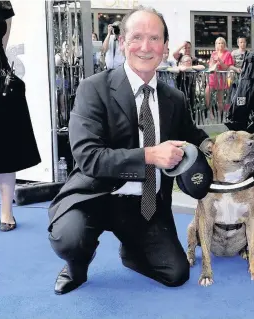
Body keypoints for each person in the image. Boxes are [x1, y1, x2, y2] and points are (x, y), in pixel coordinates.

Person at [47, 6, 208, 295]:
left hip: (145, 204)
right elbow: (88, 156)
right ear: (122, 43)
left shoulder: (174, 98)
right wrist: (149, 155)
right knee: (69, 238)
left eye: (154, 39)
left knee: (176, 274)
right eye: (136, 37)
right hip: (95, 196)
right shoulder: (92, 89)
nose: (145, 47)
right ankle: (77, 262)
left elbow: (194, 137)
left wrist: (219, 145)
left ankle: (133, 250)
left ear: (165, 46)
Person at [0, 1, 41, 232]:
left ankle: (6, 212)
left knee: (6, 148)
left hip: (1, 84)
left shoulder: (1, 4)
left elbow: (2, 44)